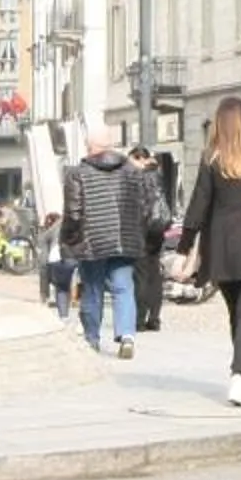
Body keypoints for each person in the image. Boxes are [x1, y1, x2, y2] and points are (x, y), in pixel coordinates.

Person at [175, 94, 241, 410]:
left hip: (220, 247)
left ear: (219, 125)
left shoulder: (212, 158)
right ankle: (240, 374)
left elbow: (198, 206)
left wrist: (184, 248)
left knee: (237, 312)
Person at [60, 125, 151, 359]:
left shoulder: (77, 173)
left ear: (90, 147)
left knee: (92, 288)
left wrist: (69, 239)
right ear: (110, 145)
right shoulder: (132, 171)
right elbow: (145, 206)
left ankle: (92, 338)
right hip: (125, 239)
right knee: (123, 287)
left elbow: (74, 212)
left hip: (92, 240)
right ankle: (127, 335)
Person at [126, 146, 169, 333]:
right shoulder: (158, 175)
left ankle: (139, 320)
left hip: (141, 229)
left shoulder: (139, 177)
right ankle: (155, 318)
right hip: (157, 229)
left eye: (131, 161)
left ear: (139, 158)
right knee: (154, 273)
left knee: (140, 275)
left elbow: (137, 206)